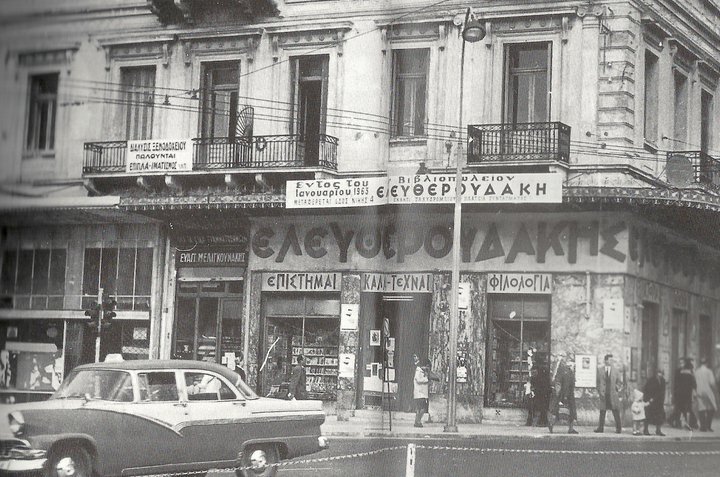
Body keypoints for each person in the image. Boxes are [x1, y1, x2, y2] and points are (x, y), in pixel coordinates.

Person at [548, 352, 578, 434]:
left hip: (569, 394)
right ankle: (551, 424)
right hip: (563, 394)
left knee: (571, 412)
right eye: (570, 361)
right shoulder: (563, 370)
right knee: (558, 411)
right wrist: (560, 394)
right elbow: (558, 382)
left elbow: (572, 382)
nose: (572, 363)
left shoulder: (570, 371)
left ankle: (571, 428)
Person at [595, 353, 623, 433]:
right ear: (606, 360)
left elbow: (619, 382)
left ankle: (618, 428)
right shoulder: (600, 370)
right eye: (610, 360)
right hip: (604, 394)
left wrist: (617, 388)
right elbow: (597, 382)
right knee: (602, 411)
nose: (611, 361)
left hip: (613, 394)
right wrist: (599, 391)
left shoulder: (616, 371)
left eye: (612, 360)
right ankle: (600, 428)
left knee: (616, 411)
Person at [695, 358, 717, 432]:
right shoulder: (709, 371)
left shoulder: (697, 371)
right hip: (708, 391)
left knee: (701, 409)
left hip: (699, 391)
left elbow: (694, 382)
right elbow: (712, 382)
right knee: (711, 408)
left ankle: (703, 427)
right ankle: (708, 425)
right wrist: (715, 390)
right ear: (706, 363)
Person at [643, 367, 666, 436]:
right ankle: (645, 430)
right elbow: (647, 389)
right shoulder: (651, 380)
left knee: (660, 416)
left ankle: (658, 430)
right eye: (659, 373)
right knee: (648, 415)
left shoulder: (663, 380)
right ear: (656, 373)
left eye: (661, 373)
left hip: (659, 401)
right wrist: (649, 399)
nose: (660, 374)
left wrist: (662, 399)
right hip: (651, 400)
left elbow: (662, 391)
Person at [675, 358, 697, 430]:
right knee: (687, 409)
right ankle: (691, 424)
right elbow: (693, 384)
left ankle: (678, 423)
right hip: (687, 393)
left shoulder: (680, 372)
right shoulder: (690, 373)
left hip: (680, 393)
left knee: (681, 408)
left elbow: (677, 383)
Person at [413, 354, 429, 428]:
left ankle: (417, 421)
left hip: (421, 393)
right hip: (420, 393)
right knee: (423, 408)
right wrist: (426, 380)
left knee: (419, 408)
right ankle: (418, 421)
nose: (427, 368)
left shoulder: (422, 372)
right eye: (427, 366)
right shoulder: (419, 371)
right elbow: (418, 380)